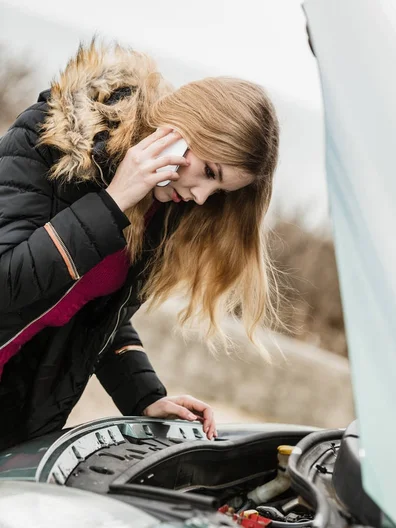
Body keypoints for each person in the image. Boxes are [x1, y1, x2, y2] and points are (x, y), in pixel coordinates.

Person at [0, 41, 280, 451]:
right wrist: (111, 203)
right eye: (208, 172)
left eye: (218, 190)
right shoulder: (52, 137)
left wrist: (145, 396)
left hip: (18, 408)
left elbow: (94, 312)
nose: (202, 196)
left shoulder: (160, 209)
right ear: (182, 129)